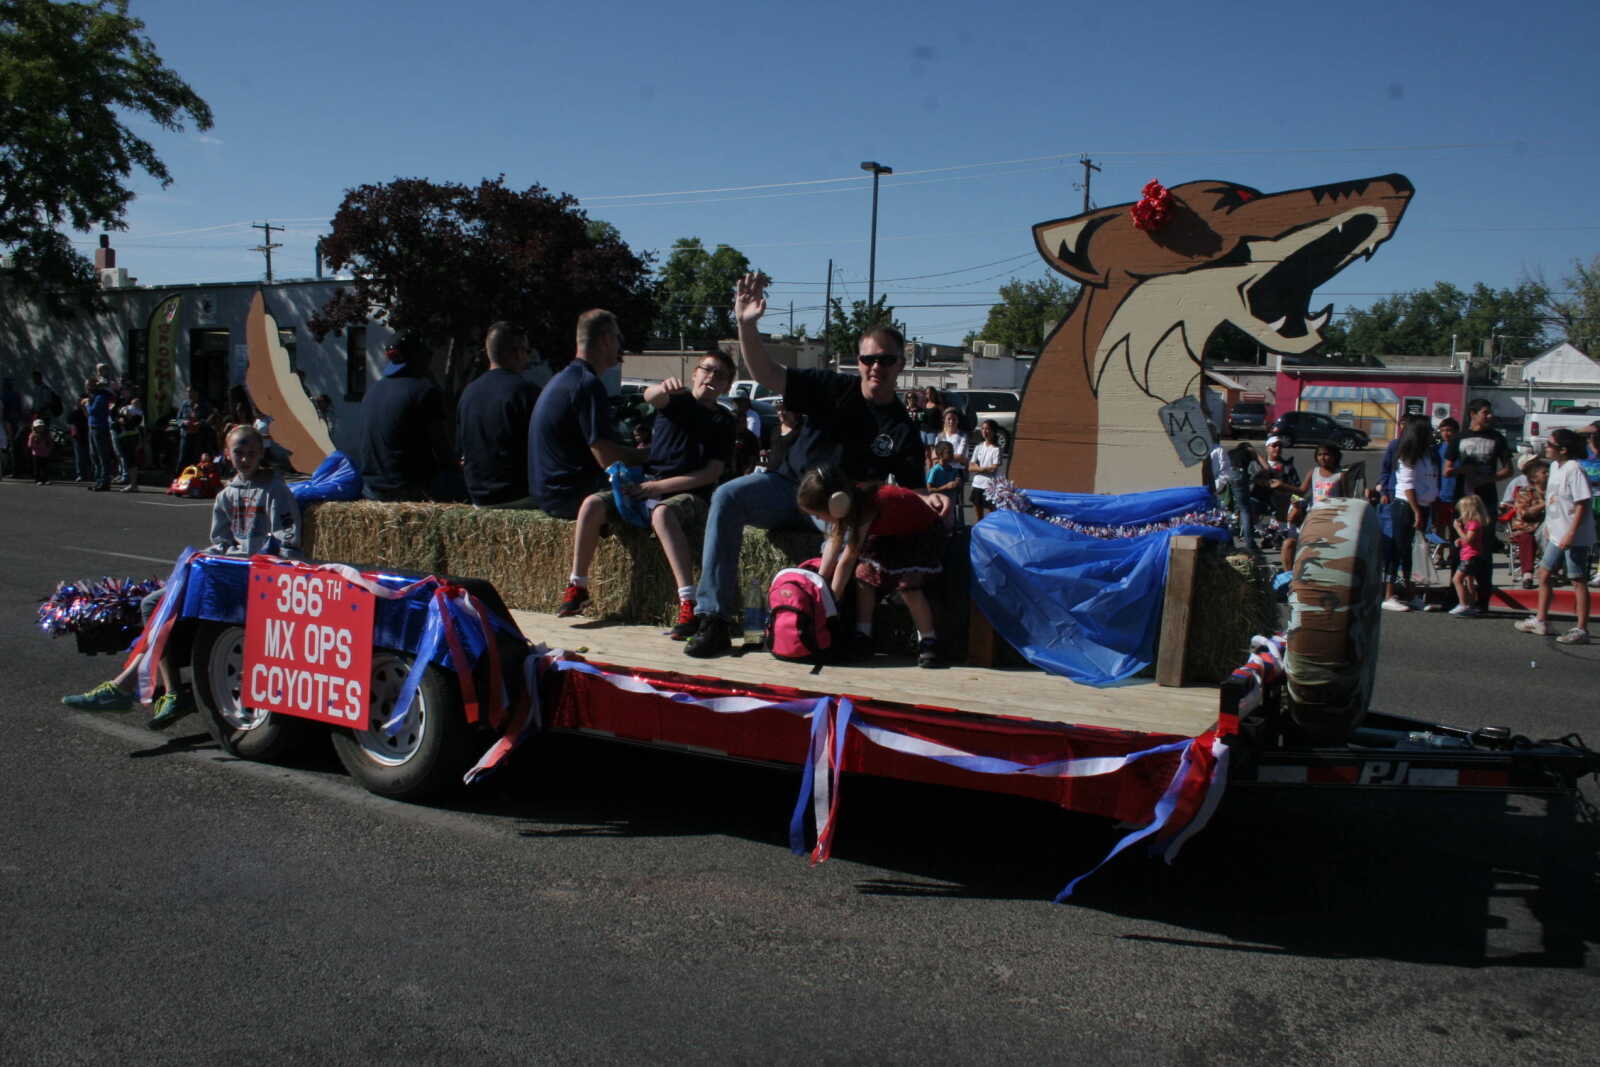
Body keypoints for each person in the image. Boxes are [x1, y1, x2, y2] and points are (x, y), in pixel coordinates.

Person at [682, 272, 927, 659]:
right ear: (858, 361)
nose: (876, 367)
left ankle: (824, 628)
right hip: (787, 488)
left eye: (885, 359)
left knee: (848, 541)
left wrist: (935, 503)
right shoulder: (832, 387)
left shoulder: (902, 428)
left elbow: (913, 492)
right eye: (868, 359)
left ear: (901, 363)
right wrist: (746, 325)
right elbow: (766, 374)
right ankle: (713, 619)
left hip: (838, 509)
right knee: (727, 496)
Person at [60, 424, 301, 728]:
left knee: (168, 602)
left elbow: (286, 537)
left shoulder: (273, 488)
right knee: (152, 603)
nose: (245, 459)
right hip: (228, 570)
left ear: (261, 453)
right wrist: (206, 557)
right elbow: (222, 540)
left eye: (252, 453)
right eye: (239, 452)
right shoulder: (227, 494)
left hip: (255, 573)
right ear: (227, 454)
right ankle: (167, 689)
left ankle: (128, 687)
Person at [558, 352, 736, 630]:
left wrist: (656, 488)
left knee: (662, 514)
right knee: (592, 504)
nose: (711, 377)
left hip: (690, 493)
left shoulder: (724, 421)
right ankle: (578, 586)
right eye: (707, 369)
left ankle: (689, 603)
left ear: (727, 386)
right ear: (695, 373)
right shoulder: (677, 400)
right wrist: (661, 388)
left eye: (720, 374)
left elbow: (711, 473)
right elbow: (650, 396)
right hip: (645, 483)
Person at [797, 465, 947, 667]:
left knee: (908, 586)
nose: (817, 519)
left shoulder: (868, 504)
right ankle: (863, 634)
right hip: (888, 535)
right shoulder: (850, 503)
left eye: (818, 514)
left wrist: (830, 605)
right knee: (864, 575)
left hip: (918, 534)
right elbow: (835, 541)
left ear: (836, 503)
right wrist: (820, 580)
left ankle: (928, 639)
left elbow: (847, 560)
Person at [527, 309, 646, 518]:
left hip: (548, 495)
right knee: (656, 497)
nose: (620, 345)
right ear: (606, 340)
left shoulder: (565, 379)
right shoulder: (587, 385)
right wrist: (653, 453)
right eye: (618, 338)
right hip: (570, 497)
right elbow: (610, 460)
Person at [1513, 428, 1593, 644]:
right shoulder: (1555, 467)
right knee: (1544, 573)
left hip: (1573, 535)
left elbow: (1582, 504)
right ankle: (1541, 620)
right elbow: (1553, 500)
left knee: (1577, 579)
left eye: (1550, 445)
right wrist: (1550, 525)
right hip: (1557, 533)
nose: (1546, 448)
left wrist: (1571, 533)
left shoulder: (1574, 469)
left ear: (1563, 449)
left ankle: (1581, 628)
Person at [457, 321, 541, 508]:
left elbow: (462, 453)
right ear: (517, 352)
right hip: (518, 497)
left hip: (478, 499)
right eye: (527, 351)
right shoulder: (525, 392)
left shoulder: (468, 393)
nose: (527, 357)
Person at [358, 333, 451, 501]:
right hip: (407, 489)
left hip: (371, 488)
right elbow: (441, 447)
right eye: (427, 355)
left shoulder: (373, 390)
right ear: (419, 357)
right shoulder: (424, 391)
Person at [1445, 399, 1512, 612]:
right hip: (1462, 501)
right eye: (1485, 412)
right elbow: (1447, 469)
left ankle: (1483, 600)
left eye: (1490, 412)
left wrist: (1487, 479)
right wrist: (1462, 471)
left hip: (1486, 502)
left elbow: (1508, 469)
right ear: (1472, 414)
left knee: (1483, 550)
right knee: (1458, 548)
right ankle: (1457, 598)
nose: (1489, 416)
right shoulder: (1458, 438)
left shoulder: (1497, 438)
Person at [1382, 422, 1437, 612]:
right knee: (1398, 550)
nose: (1432, 434)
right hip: (1406, 507)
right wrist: (1416, 511)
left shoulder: (1427, 454)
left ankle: (1411, 594)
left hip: (1423, 506)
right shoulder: (1408, 455)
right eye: (1429, 431)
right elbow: (1407, 485)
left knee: (1412, 554)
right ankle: (1389, 595)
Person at [1506, 456, 1548, 589]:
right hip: (1525, 527)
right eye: (1544, 472)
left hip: (1547, 528)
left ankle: (1550, 568)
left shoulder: (1553, 491)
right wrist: (1545, 504)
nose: (1548, 474)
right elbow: (1524, 514)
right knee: (1527, 537)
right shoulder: (1526, 491)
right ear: (1534, 477)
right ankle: (1527, 574)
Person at [1448, 495, 1490, 617]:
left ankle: (1463, 604)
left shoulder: (1473, 524)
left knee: (1457, 579)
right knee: (1469, 581)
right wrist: (1460, 540)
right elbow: (1468, 540)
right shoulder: (1472, 524)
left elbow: (1469, 540)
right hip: (1469, 555)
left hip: (1470, 557)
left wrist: (1458, 529)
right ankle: (1471, 605)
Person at [1250, 435, 1301, 524]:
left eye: (1280, 446)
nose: (1277, 448)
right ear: (1267, 448)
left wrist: (1295, 505)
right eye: (1274, 446)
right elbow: (1248, 483)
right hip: (1260, 500)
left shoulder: (1288, 467)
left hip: (1281, 503)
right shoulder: (1256, 465)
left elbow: (1297, 488)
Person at [1431, 417, 1461, 568]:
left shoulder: (1461, 450)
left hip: (1457, 495)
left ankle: (1453, 555)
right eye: (1442, 430)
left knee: (1455, 527)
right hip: (1440, 494)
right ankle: (1439, 555)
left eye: (1449, 430)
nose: (1446, 433)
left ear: (1456, 431)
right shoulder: (1437, 450)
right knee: (1440, 527)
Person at [84, 375, 116, 492]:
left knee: (102, 456)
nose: (86, 388)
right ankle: (98, 481)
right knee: (94, 455)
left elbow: (93, 411)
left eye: (88, 386)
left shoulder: (101, 396)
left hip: (100, 428)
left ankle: (104, 482)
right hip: (92, 427)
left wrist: (87, 404)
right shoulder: (93, 397)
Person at [968, 419, 1004, 521]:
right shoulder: (978, 447)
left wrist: (979, 469)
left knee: (992, 512)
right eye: (983, 428)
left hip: (990, 486)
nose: (985, 431)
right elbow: (970, 467)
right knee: (978, 512)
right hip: (977, 484)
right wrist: (982, 469)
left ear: (993, 431)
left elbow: (993, 468)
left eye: (987, 429)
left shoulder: (997, 449)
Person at [174, 386, 211, 474]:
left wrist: (200, 423)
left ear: (196, 393)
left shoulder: (204, 405)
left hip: (198, 435)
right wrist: (184, 422)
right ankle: (178, 476)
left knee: (196, 458)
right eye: (188, 392)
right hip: (186, 435)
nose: (189, 394)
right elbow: (177, 420)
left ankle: (196, 477)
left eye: (191, 392)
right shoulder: (184, 404)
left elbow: (209, 419)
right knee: (182, 458)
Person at [114, 392, 144, 491]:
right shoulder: (126, 409)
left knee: (131, 461)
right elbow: (118, 419)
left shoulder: (139, 414)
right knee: (128, 461)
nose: (135, 404)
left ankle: (133, 485)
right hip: (124, 437)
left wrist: (126, 416)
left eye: (137, 402)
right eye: (133, 402)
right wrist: (122, 417)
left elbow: (131, 425)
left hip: (131, 438)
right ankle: (133, 484)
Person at [926, 440, 963, 520]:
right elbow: (929, 489)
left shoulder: (954, 470)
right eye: (949, 452)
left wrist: (958, 484)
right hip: (939, 506)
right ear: (940, 455)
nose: (952, 455)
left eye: (952, 452)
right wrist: (945, 487)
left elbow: (958, 489)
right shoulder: (935, 470)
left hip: (951, 506)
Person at [66, 391, 90, 482]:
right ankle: (80, 474)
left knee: (89, 455)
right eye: (80, 400)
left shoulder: (89, 410)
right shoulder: (75, 411)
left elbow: (89, 419)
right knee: (79, 456)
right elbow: (69, 420)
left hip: (88, 434)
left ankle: (89, 473)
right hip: (78, 436)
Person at [27, 418, 52, 485]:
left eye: (41, 427)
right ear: (35, 427)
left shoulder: (46, 435)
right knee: (37, 468)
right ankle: (37, 480)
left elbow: (50, 443)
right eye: (38, 427)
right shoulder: (33, 435)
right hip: (36, 454)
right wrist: (37, 446)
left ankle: (45, 479)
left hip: (45, 454)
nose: (40, 428)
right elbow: (29, 445)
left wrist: (48, 449)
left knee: (45, 468)